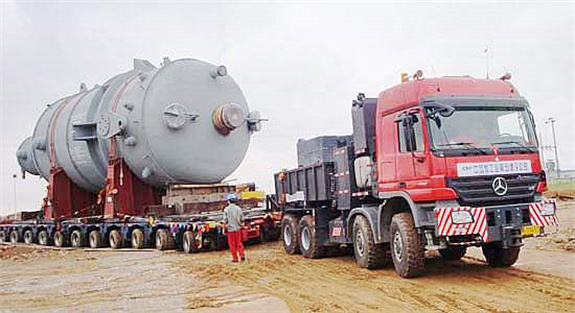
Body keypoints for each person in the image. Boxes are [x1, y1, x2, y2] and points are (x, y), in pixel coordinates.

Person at [223, 193, 245, 262]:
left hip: (230, 230)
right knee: (239, 243)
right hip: (238, 229)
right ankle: (242, 255)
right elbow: (242, 219)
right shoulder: (238, 209)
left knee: (232, 244)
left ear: (228, 201)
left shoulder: (226, 210)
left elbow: (225, 220)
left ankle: (235, 258)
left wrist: (224, 229)